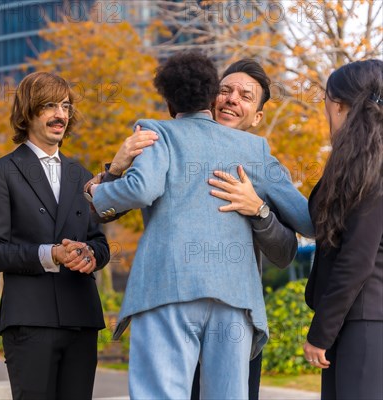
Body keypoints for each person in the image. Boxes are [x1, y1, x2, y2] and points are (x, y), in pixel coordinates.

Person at [88, 51, 313, 398]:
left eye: (245, 97)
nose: (232, 100)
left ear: (258, 116)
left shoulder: (156, 132)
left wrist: (259, 209)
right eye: (227, 91)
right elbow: (310, 221)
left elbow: (140, 189)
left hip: (167, 290)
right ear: (212, 95)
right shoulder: (256, 151)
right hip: (234, 302)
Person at [0, 71, 110, 400]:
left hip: (81, 317)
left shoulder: (82, 174)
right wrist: (49, 254)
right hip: (29, 321)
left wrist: (91, 256)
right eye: (50, 105)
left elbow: (100, 243)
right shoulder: (1, 171)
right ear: (27, 111)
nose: (61, 115)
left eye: (65, 106)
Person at [303, 59, 383, 399]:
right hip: (357, 322)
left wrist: (320, 332)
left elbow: (357, 259)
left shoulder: (373, 168)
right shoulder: (359, 162)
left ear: (337, 105)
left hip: (366, 322)